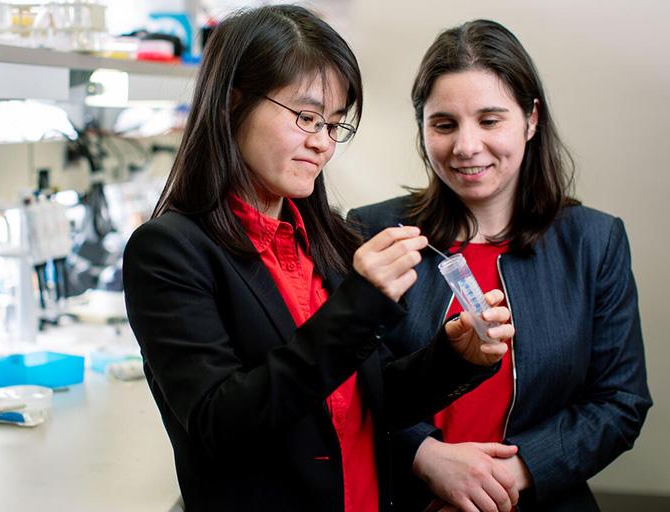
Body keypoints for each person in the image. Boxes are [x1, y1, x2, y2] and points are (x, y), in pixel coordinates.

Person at [123, 6, 517, 512]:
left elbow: (362, 404)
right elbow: (220, 424)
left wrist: (452, 357)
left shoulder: (327, 237)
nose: (322, 143)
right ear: (231, 103)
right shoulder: (170, 251)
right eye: (306, 117)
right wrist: (360, 304)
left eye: (334, 125)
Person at [348, 19, 652, 512]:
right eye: (444, 124)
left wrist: (506, 477)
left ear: (531, 119)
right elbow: (348, 386)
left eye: (490, 121)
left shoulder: (594, 241)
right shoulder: (374, 234)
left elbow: (619, 402)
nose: (466, 147)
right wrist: (426, 457)